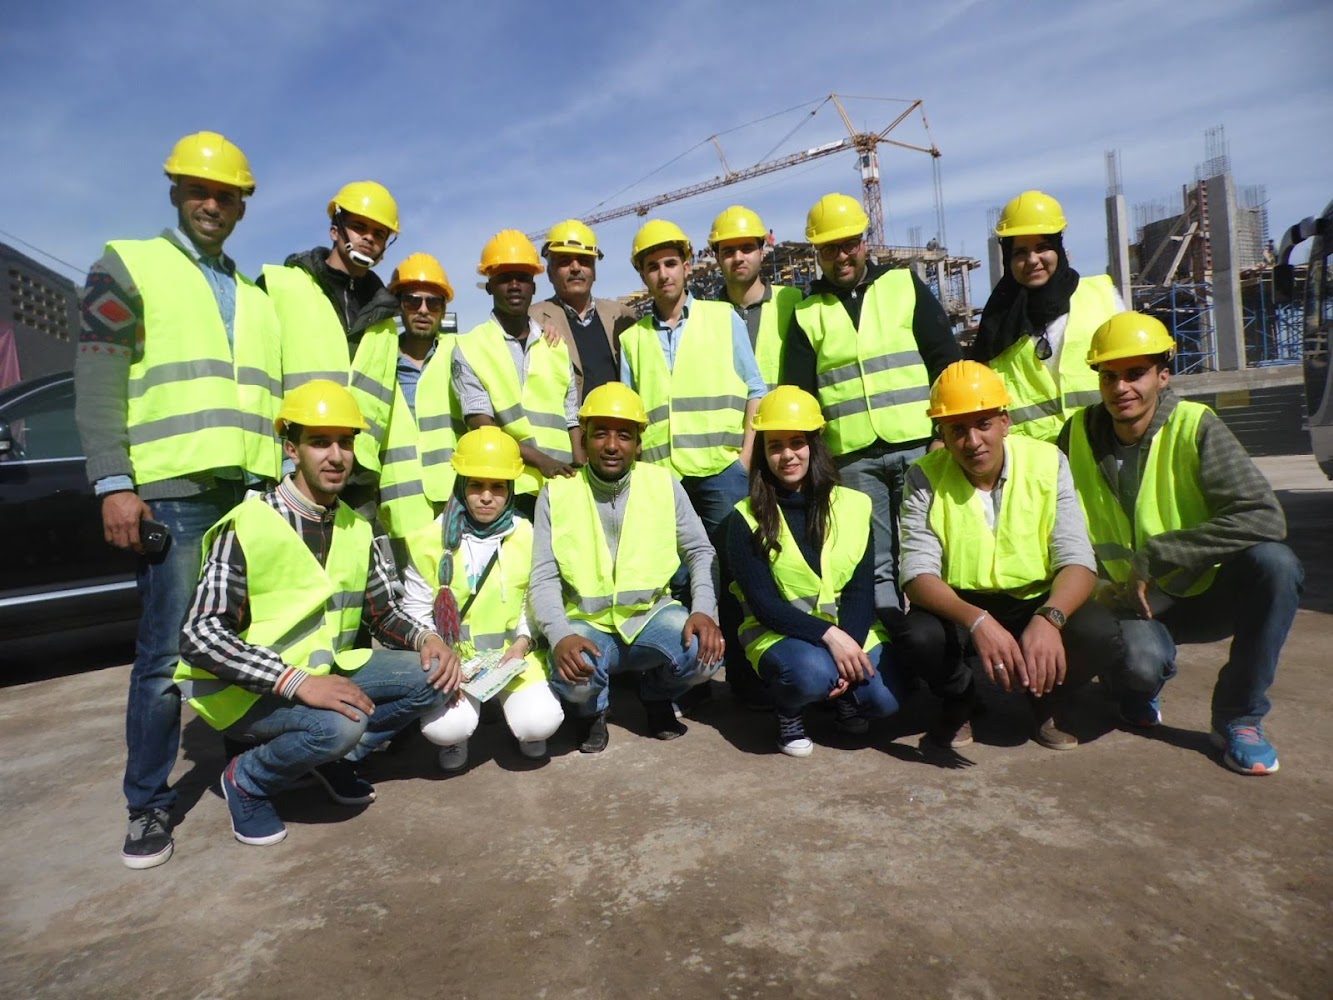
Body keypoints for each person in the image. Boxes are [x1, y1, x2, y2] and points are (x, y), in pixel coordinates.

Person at [74, 130, 283, 869]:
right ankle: (147, 804)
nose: (212, 203)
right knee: (165, 657)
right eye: (199, 190)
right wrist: (115, 481)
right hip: (173, 492)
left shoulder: (256, 294)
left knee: (244, 645)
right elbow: (98, 377)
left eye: (226, 194)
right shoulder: (128, 265)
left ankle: (244, 772)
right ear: (175, 193)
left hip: (248, 492)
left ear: (241, 206)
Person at [176, 381, 456, 847]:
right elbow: (200, 634)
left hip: (323, 672)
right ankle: (248, 780)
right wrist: (298, 683)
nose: (336, 456)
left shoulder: (353, 525)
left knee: (436, 676)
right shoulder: (250, 523)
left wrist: (428, 638)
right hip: (247, 691)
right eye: (319, 442)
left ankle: (330, 758)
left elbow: (383, 612)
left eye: (345, 442)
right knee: (341, 724)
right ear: (291, 449)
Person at [1059, 312, 1302, 775]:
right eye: (1109, 376)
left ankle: (1240, 717)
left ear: (1163, 375)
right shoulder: (1076, 435)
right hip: (1129, 603)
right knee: (1139, 665)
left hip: (1201, 591)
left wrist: (1164, 552)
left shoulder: (1196, 427)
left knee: (1277, 565)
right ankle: (1136, 685)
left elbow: (1264, 516)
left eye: (1136, 374)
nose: (1121, 388)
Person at [895, 361, 1122, 750]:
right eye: (957, 430)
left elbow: (1078, 561)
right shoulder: (923, 476)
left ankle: (1045, 699)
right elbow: (917, 576)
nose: (972, 441)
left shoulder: (1049, 463)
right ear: (943, 436)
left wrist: (1050, 618)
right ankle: (962, 700)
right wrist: (978, 620)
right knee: (919, 638)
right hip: (961, 606)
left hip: (1036, 598)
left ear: (1005, 421)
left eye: (983, 423)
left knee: (1101, 634)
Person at [782, 193, 961, 617]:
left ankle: (945, 649)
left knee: (935, 552)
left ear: (865, 241)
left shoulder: (903, 286)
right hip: (854, 459)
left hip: (920, 447)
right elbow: (801, 398)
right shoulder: (808, 313)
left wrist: (942, 435)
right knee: (875, 563)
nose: (841, 256)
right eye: (829, 248)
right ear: (817, 254)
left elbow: (947, 363)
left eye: (849, 244)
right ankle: (893, 654)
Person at [529, 382, 724, 753]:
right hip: (586, 624)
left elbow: (700, 551)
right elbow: (543, 576)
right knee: (575, 676)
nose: (612, 445)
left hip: (650, 617)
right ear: (583, 438)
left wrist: (703, 610)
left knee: (706, 654)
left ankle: (656, 695)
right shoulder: (557, 493)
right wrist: (559, 635)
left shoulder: (663, 484)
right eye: (600, 433)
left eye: (624, 435)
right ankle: (591, 711)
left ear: (638, 442)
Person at [726, 387, 903, 756]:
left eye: (797, 442)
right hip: (780, 634)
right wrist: (832, 639)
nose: (787, 455)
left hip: (845, 631)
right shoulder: (744, 518)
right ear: (763, 452)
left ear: (814, 445)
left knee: (885, 701)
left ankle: (841, 694)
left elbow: (859, 592)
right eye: (775, 445)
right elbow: (764, 605)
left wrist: (847, 647)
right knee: (810, 674)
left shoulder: (854, 506)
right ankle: (789, 711)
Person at [400, 427, 564, 770]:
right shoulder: (429, 539)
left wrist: (522, 643)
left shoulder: (525, 532)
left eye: (498, 487)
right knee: (446, 728)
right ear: (461, 485)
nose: (486, 497)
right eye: (476, 485)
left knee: (540, 722)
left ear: (511, 490)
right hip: (453, 661)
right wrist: (440, 652)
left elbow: (529, 602)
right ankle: (458, 739)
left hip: (510, 658)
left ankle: (525, 728)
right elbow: (415, 610)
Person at [618, 218, 767, 536]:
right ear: (643, 275)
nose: (663, 274)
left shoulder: (724, 318)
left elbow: (756, 389)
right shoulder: (631, 340)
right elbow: (630, 419)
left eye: (670, 263)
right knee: (679, 574)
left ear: (686, 267)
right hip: (662, 477)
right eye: (653, 267)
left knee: (734, 567)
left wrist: (744, 461)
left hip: (722, 472)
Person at [260, 181, 402, 512]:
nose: (368, 238)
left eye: (379, 233)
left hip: (360, 474)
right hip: (295, 466)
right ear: (335, 230)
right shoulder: (282, 287)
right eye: (359, 226)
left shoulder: (385, 318)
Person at [429, 230, 583, 518]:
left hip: (562, 487)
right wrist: (542, 461)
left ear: (534, 287)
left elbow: (571, 415)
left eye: (523, 277)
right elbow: (482, 426)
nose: (515, 286)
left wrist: (581, 469)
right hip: (505, 489)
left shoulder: (555, 346)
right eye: (504, 278)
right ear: (489, 286)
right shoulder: (470, 347)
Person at [971, 190, 1123, 442]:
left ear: (1058, 249)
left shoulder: (1102, 296)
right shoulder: (996, 325)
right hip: (1037, 468)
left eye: (1042, 247)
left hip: (1107, 448)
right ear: (1008, 257)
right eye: (1020, 252)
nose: (1032, 260)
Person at [376, 253, 458, 543]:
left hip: (456, 507)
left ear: (443, 309)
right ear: (399, 306)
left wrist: (546, 329)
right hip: (398, 511)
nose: (423, 310)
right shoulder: (378, 360)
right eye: (413, 301)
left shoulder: (461, 353)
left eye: (433, 303)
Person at [529, 219, 638, 400]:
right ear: (550, 273)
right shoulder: (533, 320)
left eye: (584, 261)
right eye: (564, 262)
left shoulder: (622, 317)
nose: (575, 268)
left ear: (594, 271)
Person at [707, 205, 804, 389]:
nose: (738, 258)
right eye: (728, 251)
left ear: (761, 251)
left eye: (746, 248)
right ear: (717, 258)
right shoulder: (707, 319)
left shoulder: (794, 302)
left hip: (784, 416)